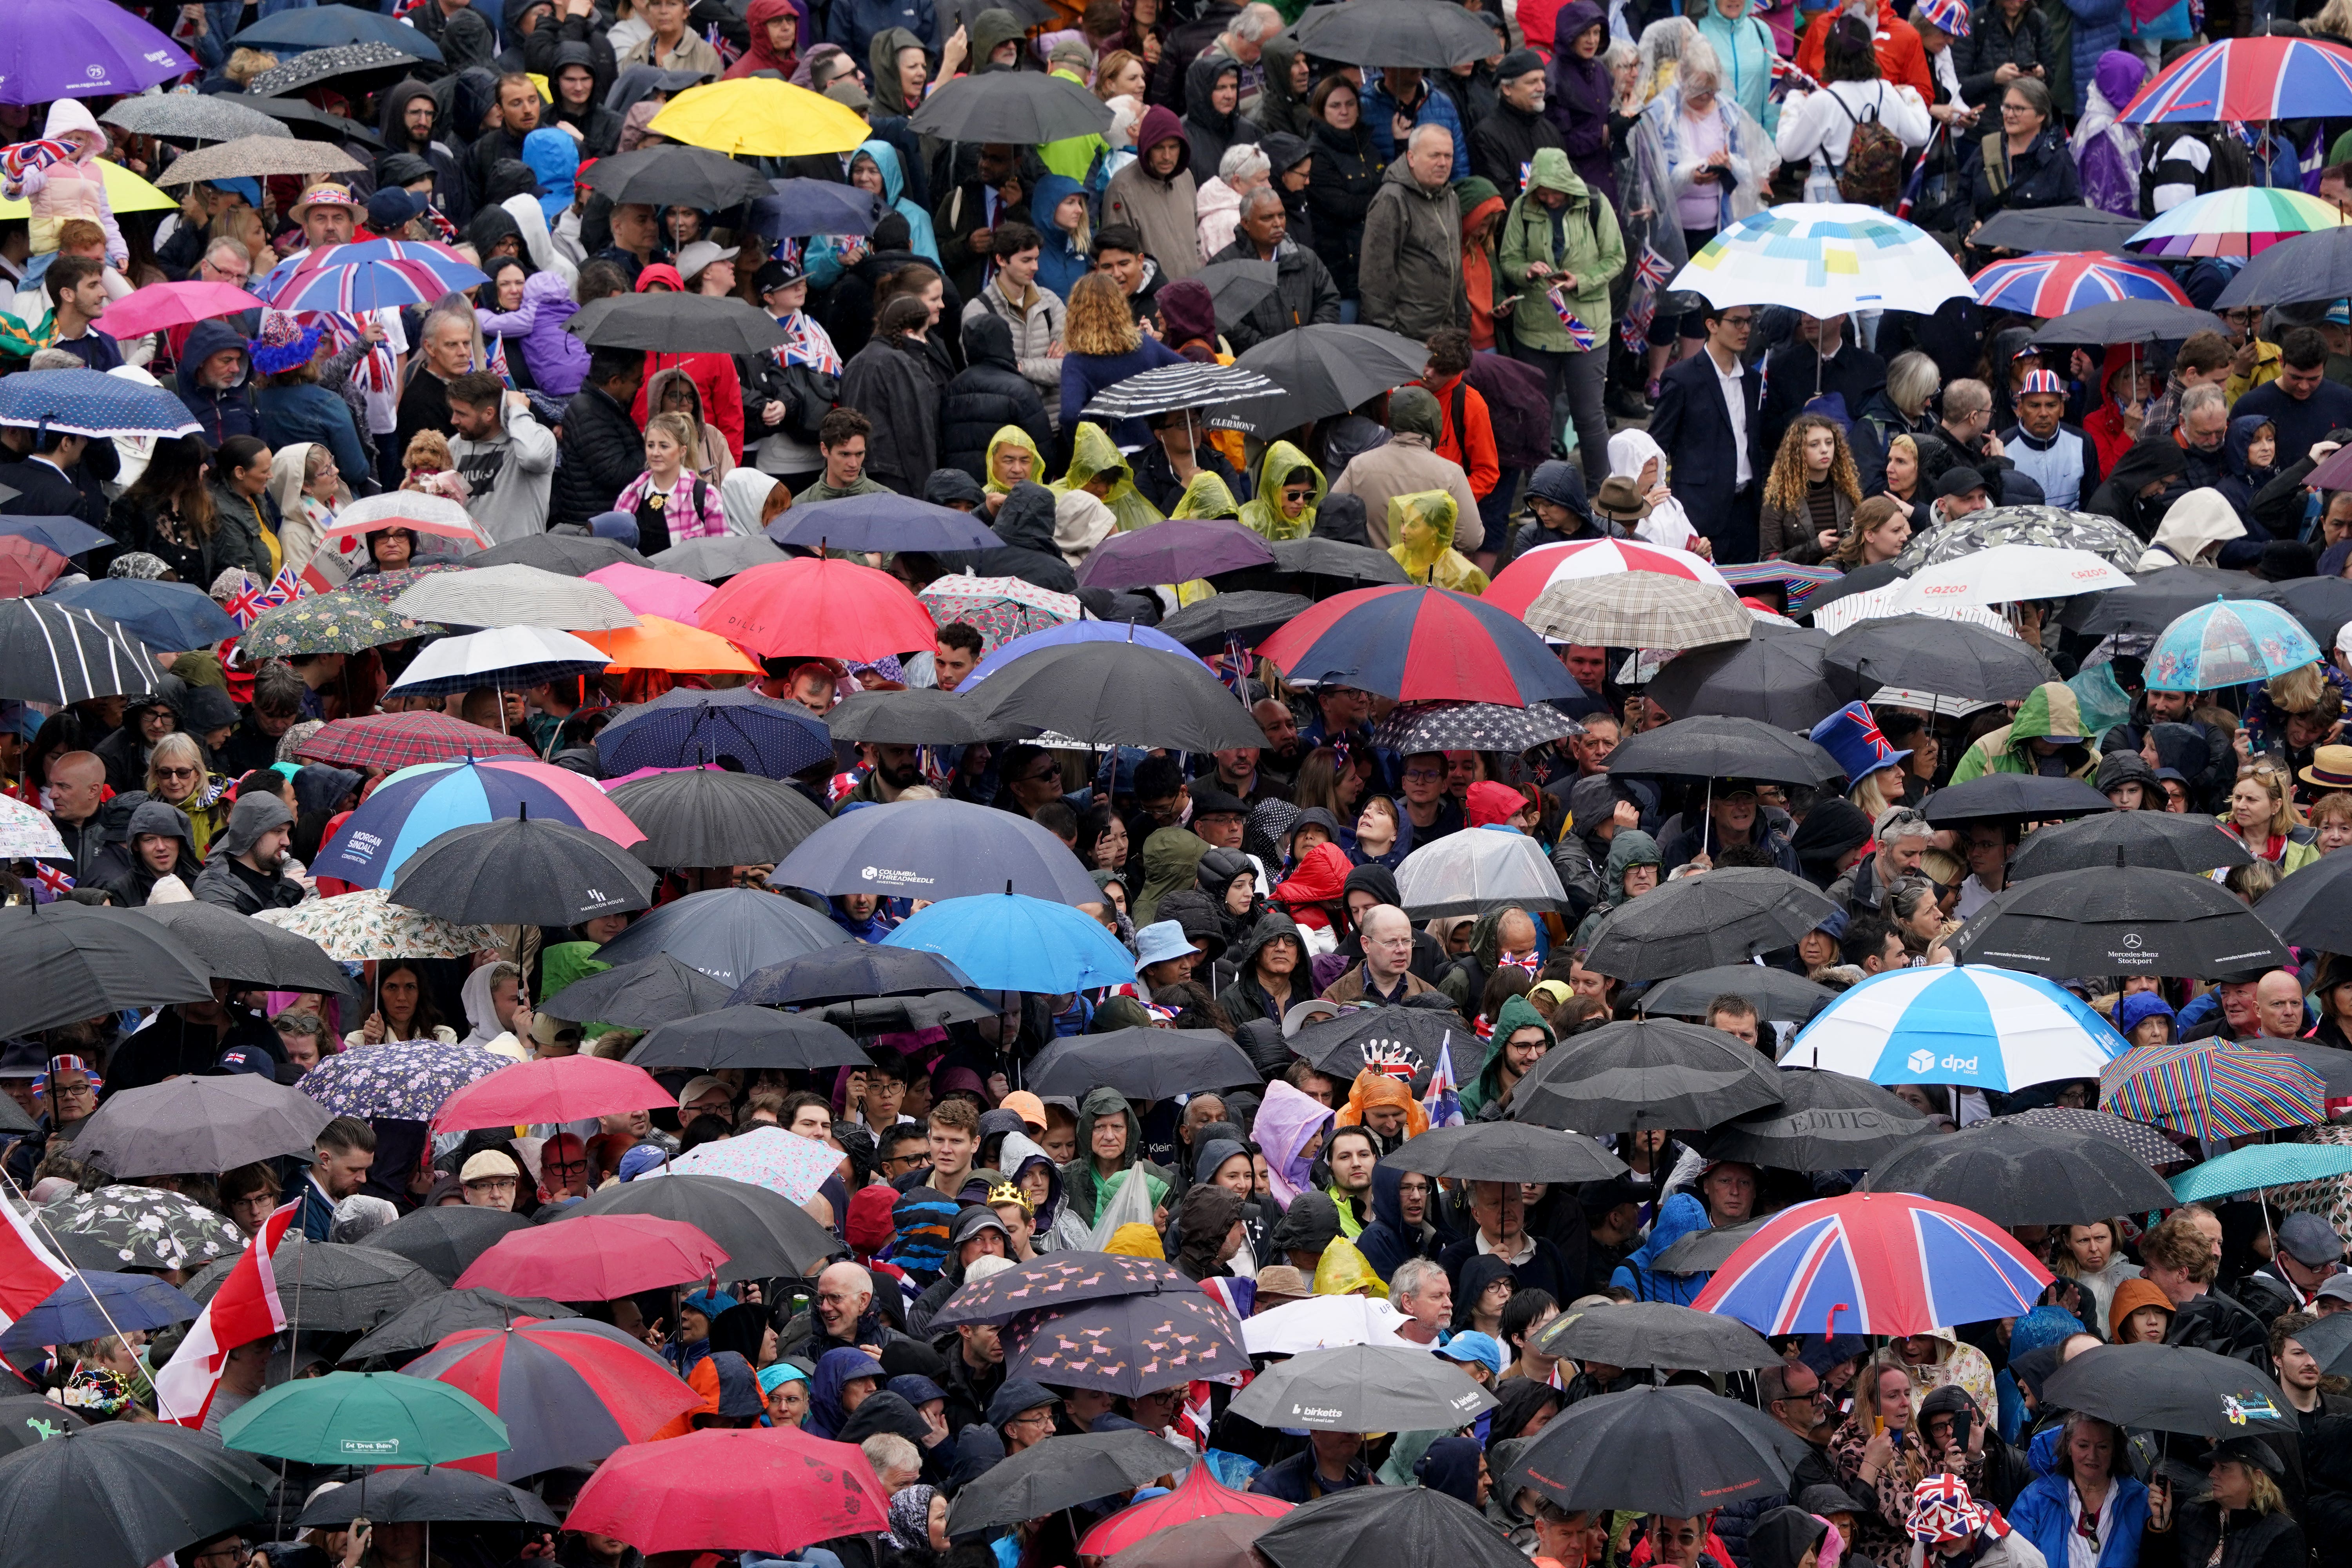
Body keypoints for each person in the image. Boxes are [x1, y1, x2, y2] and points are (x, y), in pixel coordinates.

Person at [1501, 147, 1623, 490]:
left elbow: (1616, 258)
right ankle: (1543, 494)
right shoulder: (1523, 209)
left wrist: (1580, 281)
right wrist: (1527, 270)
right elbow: (1508, 259)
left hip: (1586, 329)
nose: (1548, 197)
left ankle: (1603, 493)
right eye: (1541, 190)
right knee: (1536, 417)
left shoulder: (1596, 204)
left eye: (1554, 190)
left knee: (1589, 417)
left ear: (1568, 183)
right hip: (1536, 330)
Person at [1648, 301, 1761, 563]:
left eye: (1749, 321)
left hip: (1747, 509)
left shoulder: (1753, 380)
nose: (1745, 329)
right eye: (1737, 322)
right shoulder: (1682, 379)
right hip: (1699, 509)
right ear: (1712, 325)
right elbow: (1656, 445)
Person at [1360, 125, 1466, 342]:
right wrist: (1389, 335)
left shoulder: (1450, 197)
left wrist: (1462, 327)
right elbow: (1376, 275)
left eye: (1448, 156)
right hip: (1407, 336)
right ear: (1411, 157)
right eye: (1435, 155)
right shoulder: (1392, 199)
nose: (1443, 163)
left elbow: (1456, 265)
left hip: (1446, 335)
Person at [2142, 1437, 2303, 1568]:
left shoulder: (2281, 1534)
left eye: (2224, 1468)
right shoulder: (2190, 1513)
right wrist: (2161, 1524)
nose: (2212, 1474)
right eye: (2214, 1466)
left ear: (2256, 1477)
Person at [447, 372, 559, 544]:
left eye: (461, 414)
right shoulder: (456, 444)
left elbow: (533, 457)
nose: (453, 420)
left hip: (519, 561)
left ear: (489, 414)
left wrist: (518, 410)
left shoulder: (536, 439)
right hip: (468, 563)